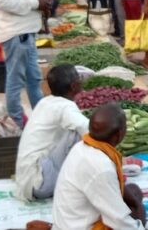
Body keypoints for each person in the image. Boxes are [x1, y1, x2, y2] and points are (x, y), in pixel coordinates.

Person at [52, 104, 146, 230]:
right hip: (80, 226)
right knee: (137, 214)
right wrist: (140, 218)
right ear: (118, 134)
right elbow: (119, 222)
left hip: (70, 219)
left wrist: (134, 201)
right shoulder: (101, 167)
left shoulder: (81, 146)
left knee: (134, 191)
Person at [15, 65, 89, 201]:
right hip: (39, 183)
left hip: (26, 180)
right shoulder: (65, 107)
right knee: (78, 134)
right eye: (79, 79)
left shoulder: (45, 102)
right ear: (73, 86)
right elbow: (88, 129)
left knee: (75, 130)